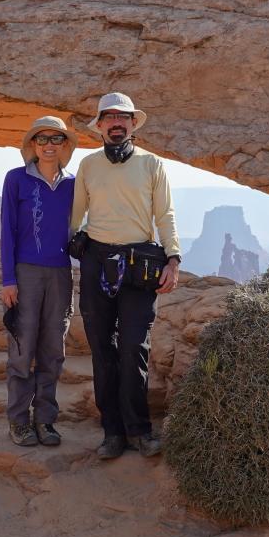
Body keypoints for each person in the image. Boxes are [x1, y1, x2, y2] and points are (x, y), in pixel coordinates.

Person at [71, 92, 181, 459]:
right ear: (100, 126)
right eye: (110, 118)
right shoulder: (88, 166)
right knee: (103, 351)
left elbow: (165, 215)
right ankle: (112, 433)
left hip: (140, 264)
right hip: (96, 262)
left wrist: (173, 258)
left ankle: (139, 431)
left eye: (124, 118)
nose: (117, 123)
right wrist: (68, 244)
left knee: (135, 347)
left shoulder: (152, 165)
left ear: (133, 124)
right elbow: (75, 214)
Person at [0, 116, 77, 447]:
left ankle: (45, 420)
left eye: (55, 139)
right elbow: (8, 231)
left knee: (52, 350)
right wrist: (8, 279)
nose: (48, 145)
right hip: (26, 273)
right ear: (32, 145)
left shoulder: (74, 183)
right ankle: (18, 422)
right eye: (41, 139)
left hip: (61, 272)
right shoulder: (16, 180)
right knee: (21, 348)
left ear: (64, 146)